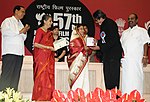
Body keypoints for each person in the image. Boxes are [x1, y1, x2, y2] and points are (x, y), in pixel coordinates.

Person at [91, 10, 123, 90]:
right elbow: (105, 40)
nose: (97, 23)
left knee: (113, 78)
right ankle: (109, 95)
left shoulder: (109, 24)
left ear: (100, 17)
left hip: (113, 55)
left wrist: (100, 47)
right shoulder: (104, 25)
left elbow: (112, 40)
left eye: (96, 20)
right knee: (108, 78)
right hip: (108, 55)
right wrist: (98, 42)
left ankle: (114, 97)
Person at [0, 5, 30, 91]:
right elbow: (5, 32)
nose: (23, 14)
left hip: (19, 53)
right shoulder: (7, 21)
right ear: (16, 11)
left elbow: (23, 37)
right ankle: (2, 95)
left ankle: (13, 96)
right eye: (22, 11)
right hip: (10, 52)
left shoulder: (21, 23)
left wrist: (23, 31)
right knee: (7, 75)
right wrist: (20, 31)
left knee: (15, 76)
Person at [120, 13, 150, 95]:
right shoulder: (125, 33)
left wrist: (145, 56)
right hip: (126, 61)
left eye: (132, 18)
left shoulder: (142, 31)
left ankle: (137, 98)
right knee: (126, 82)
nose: (130, 20)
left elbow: (145, 43)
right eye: (129, 18)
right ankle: (126, 98)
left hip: (137, 60)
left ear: (137, 20)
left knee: (137, 80)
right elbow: (121, 46)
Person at [32, 15, 55, 101]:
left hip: (49, 57)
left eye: (51, 21)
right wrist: (48, 48)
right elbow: (36, 44)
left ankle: (48, 96)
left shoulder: (49, 33)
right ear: (44, 21)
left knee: (48, 76)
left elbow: (52, 45)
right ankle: (40, 97)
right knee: (42, 76)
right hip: (41, 58)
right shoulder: (40, 31)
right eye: (50, 21)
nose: (51, 23)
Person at [67, 24, 92, 95]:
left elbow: (89, 50)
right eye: (80, 29)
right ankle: (76, 93)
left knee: (84, 76)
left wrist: (88, 49)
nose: (82, 30)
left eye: (83, 29)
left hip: (84, 61)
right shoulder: (74, 38)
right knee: (77, 77)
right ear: (77, 30)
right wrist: (84, 49)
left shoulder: (84, 38)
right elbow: (72, 49)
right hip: (76, 61)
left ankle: (84, 93)